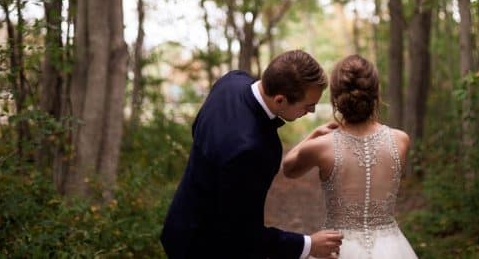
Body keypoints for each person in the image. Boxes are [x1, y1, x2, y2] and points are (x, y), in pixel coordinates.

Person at [161, 50, 343, 259]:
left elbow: (197, 129)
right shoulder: (253, 150)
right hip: (206, 246)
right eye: (308, 106)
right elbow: (243, 235)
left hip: (179, 225)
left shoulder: (231, 82)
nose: (310, 112)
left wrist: (312, 136)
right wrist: (309, 245)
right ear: (280, 100)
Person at [282, 54, 417, 259]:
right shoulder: (400, 140)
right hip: (392, 248)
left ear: (335, 97)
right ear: (376, 94)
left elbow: (288, 168)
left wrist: (313, 135)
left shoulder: (321, 146)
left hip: (338, 247)